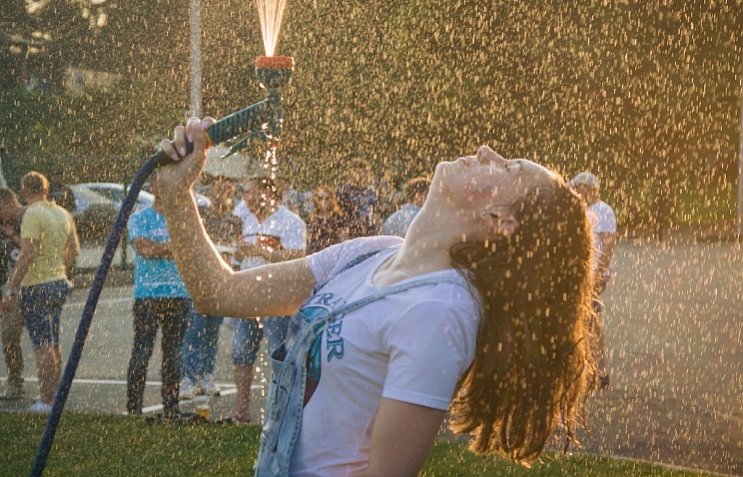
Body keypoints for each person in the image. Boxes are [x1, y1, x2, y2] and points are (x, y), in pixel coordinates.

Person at [157, 118, 596, 476]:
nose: (486, 152)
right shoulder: (370, 252)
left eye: (509, 168)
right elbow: (219, 292)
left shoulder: (439, 313)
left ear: (501, 220)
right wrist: (178, 194)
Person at [224, 175, 306, 424]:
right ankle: (242, 409)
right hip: (248, 296)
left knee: (278, 354)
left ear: (267, 194)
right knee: (241, 352)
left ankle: (281, 412)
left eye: (250, 192)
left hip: (277, 297)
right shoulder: (243, 219)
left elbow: (298, 256)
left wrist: (262, 251)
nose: (245, 197)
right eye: (245, 193)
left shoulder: (290, 221)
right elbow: (236, 258)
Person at [1, 172, 79, 412]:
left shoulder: (32, 214)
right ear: (46, 190)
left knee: (42, 345)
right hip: (58, 282)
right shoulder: (62, 212)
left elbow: (27, 253)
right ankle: (54, 396)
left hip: (36, 285)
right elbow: (74, 249)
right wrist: (59, 269)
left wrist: (10, 288)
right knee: (53, 342)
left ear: (24, 192)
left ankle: (46, 400)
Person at [126, 173, 192, 422]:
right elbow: (145, 250)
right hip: (148, 295)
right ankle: (133, 408)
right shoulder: (140, 217)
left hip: (179, 294)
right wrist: (173, 248)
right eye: (159, 182)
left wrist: (163, 248)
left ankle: (171, 408)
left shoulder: (182, 217)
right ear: (152, 187)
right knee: (142, 351)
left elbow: (189, 249)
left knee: (173, 354)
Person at [180, 176, 242, 399]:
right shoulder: (202, 217)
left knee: (212, 334)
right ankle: (187, 378)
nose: (222, 195)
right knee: (194, 332)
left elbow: (235, 252)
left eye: (227, 191)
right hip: (201, 283)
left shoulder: (236, 221)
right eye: (218, 190)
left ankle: (206, 375)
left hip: (222, 285)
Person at [570, 172, 616, 389]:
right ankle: (588, 369)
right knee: (582, 320)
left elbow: (608, 245)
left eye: (578, 187)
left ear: (589, 188)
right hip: (580, 277)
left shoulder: (603, 211)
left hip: (594, 277)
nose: (575, 191)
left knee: (591, 319)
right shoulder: (581, 210)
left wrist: (598, 275)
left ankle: (600, 370)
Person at [0, 187, 27, 400]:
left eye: (0, 209)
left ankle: (51, 389)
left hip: (36, 282)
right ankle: (15, 384)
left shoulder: (30, 216)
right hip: (13, 285)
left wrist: (12, 235)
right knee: (9, 335)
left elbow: (32, 252)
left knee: (44, 340)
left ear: (11, 202)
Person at [335, 157, 378, 238]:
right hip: (351, 233)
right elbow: (339, 215)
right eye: (358, 172)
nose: (362, 175)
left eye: (365, 172)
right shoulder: (342, 191)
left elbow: (375, 212)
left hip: (370, 232)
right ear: (351, 173)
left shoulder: (371, 191)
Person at [304, 185, 348, 254]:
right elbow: (307, 241)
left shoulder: (338, 219)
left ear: (332, 200)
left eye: (327, 198)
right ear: (315, 200)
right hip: (315, 255)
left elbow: (344, 241)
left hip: (333, 254)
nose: (323, 202)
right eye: (320, 198)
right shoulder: (310, 220)